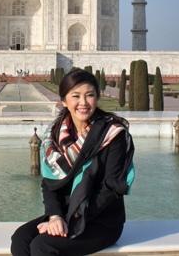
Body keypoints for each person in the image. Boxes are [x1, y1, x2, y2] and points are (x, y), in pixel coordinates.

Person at [11, 69, 135, 256]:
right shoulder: (55, 134)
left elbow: (111, 188)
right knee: (20, 239)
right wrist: (55, 216)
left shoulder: (113, 133)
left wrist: (71, 220)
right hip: (67, 212)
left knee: (43, 246)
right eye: (75, 96)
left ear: (97, 98)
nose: (83, 103)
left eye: (90, 95)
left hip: (101, 221)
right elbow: (49, 182)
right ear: (64, 101)